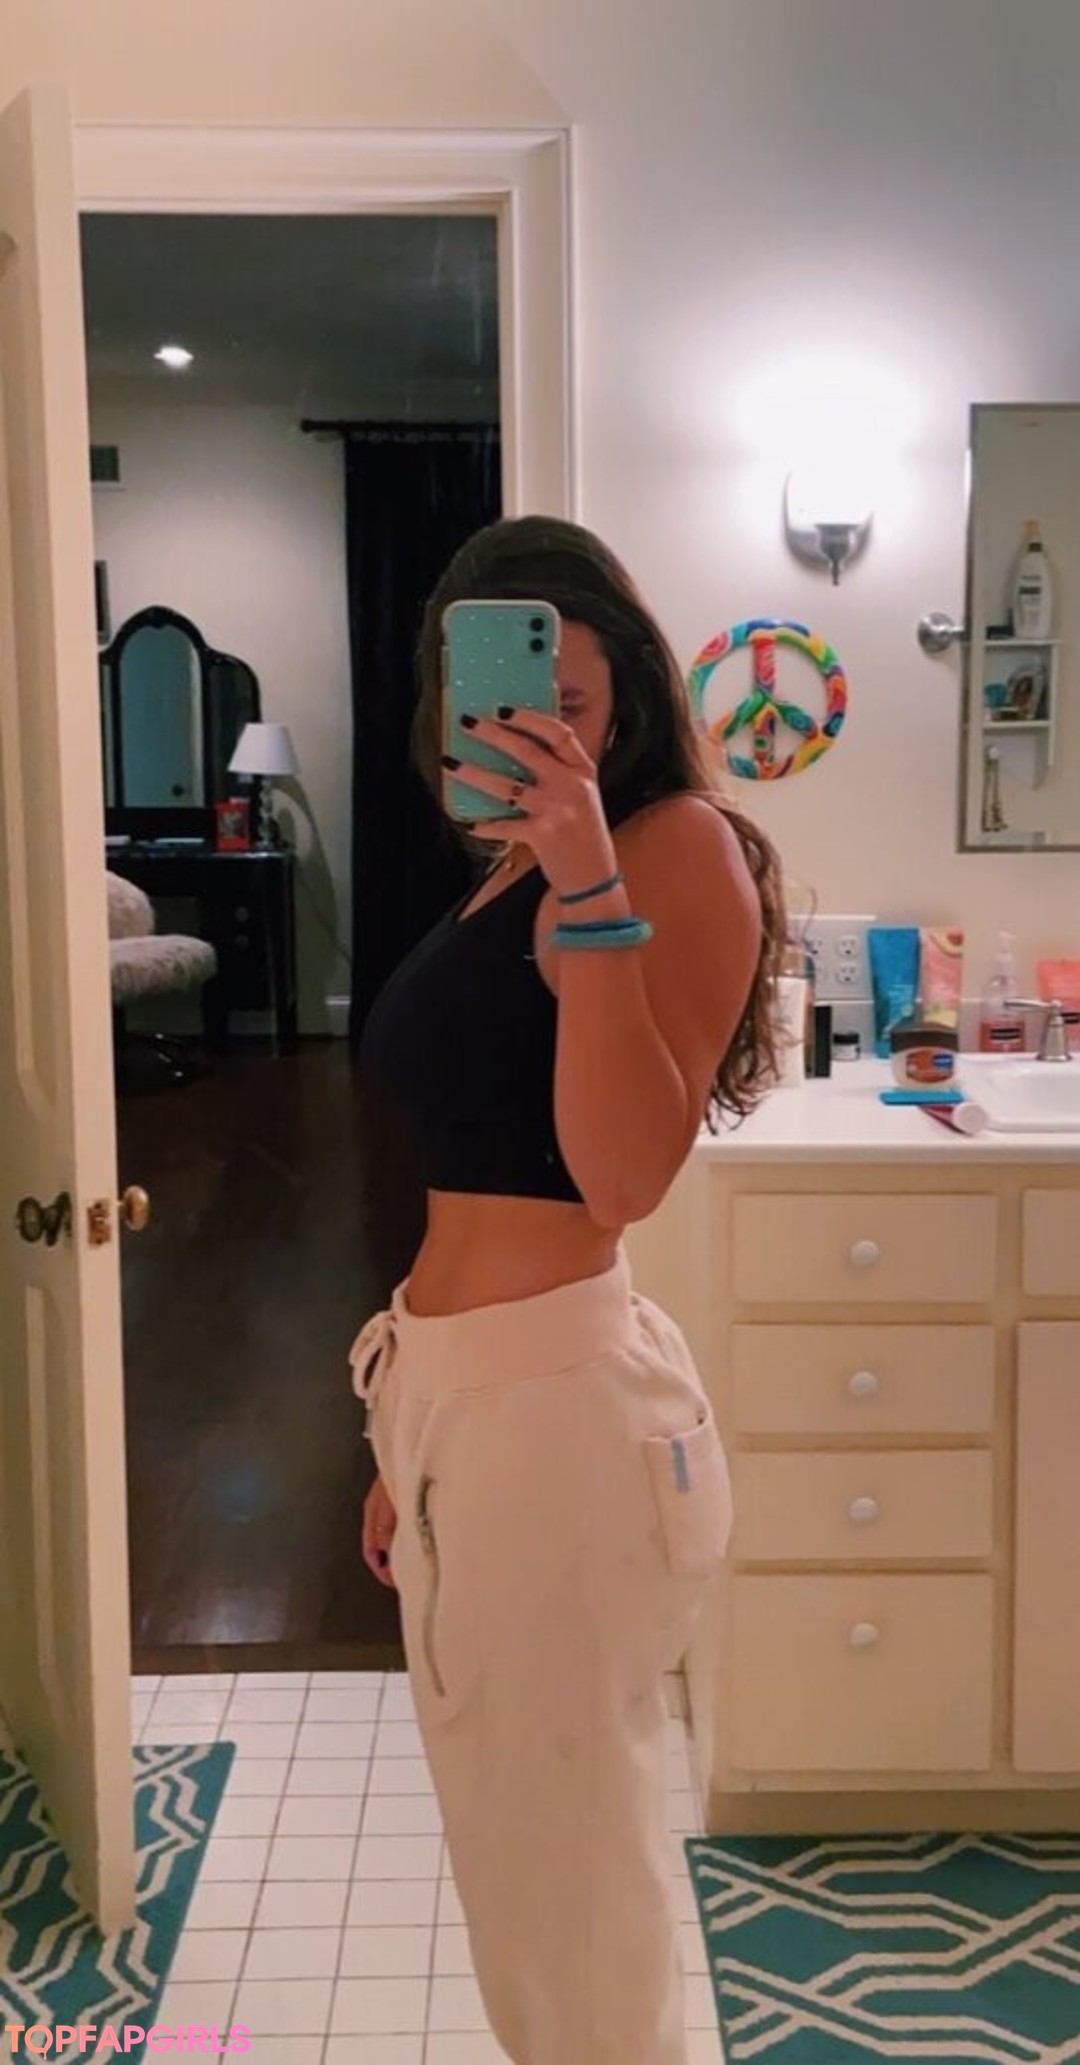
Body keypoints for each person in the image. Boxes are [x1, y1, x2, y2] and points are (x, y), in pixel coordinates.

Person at [350, 516, 785, 2065]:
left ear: (629, 696)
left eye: (570, 704)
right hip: (469, 1410)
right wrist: (409, 1444)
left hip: (557, 1426)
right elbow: (472, 1163)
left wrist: (593, 869)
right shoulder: (506, 869)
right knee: (519, 1870)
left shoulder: (674, 847)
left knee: (573, 1903)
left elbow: (619, 1175)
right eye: (496, 703)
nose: (536, 733)